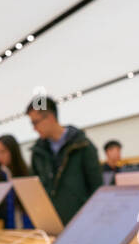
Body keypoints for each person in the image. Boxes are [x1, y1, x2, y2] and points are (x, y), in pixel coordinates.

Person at [27, 95, 102, 224]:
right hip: (50, 226)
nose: (34, 128)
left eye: (35, 122)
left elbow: (97, 190)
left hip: (81, 225)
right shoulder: (37, 152)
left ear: (50, 117)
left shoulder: (83, 146)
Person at [0, 134, 33, 229]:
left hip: (25, 223)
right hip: (2, 226)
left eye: (3, 151)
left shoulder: (26, 172)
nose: (0, 156)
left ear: (13, 151)